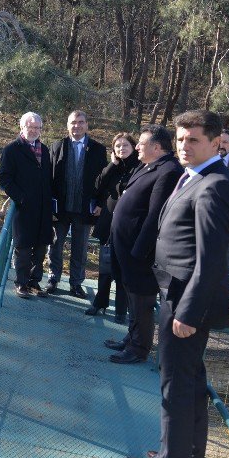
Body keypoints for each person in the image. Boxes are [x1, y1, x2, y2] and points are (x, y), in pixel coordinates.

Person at [124, 110, 229, 458]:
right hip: (177, 292)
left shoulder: (214, 185)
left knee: (175, 384)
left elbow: (210, 259)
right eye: (179, 139)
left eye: (193, 139)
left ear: (214, 142)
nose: (183, 146)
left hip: (186, 300)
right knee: (189, 383)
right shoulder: (195, 177)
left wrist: (187, 312)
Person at [104, 125, 183, 365]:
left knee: (141, 299)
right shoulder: (149, 165)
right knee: (131, 296)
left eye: (141, 143)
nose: (137, 146)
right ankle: (132, 337)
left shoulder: (168, 170)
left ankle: (139, 348)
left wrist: (140, 250)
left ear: (156, 147)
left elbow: (155, 215)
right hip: (125, 245)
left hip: (140, 251)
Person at [47, 110, 107, 298]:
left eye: (81, 122)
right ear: (68, 125)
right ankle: (53, 278)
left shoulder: (98, 149)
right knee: (55, 244)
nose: (77, 126)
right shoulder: (57, 146)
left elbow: (104, 179)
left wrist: (100, 203)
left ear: (87, 125)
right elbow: (49, 177)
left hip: (84, 208)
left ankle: (76, 283)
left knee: (80, 248)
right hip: (61, 207)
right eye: (73, 122)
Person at [85, 132, 139, 321]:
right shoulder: (114, 167)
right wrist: (112, 164)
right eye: (118, 146)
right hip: (108, 224)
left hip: (127, 227)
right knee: (105, 267)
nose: (121, 149)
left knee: (123, 270)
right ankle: (100, 303)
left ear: (133, 147)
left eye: (125, 145)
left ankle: (120, 310)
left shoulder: (139, 168)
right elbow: (98, 185)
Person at [0, 112, 53, 299]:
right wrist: (21, 198)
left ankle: (34, 282)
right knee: (23, 247)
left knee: (40, 247)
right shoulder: (12, 150)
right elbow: (5, 179)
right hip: (23, 209)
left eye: (37, 127)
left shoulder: (44, 150)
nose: (34, 130)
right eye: (30, 126)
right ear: (22, 127)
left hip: (43, 208)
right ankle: (21, 283)